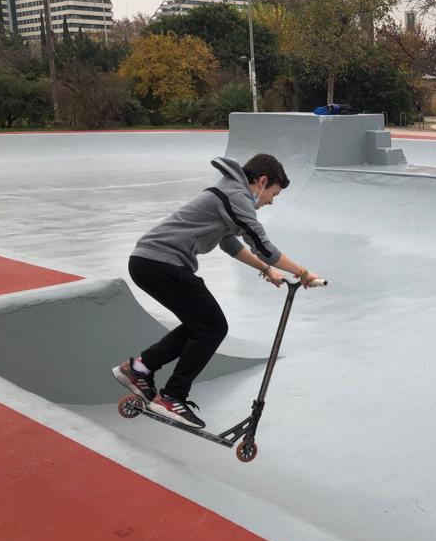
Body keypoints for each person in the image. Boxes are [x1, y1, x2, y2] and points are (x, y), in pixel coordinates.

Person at [112, 154, 324, 429]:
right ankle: (172, 396)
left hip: (148, 262)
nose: (271, 202)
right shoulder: (237, 196)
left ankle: (138, 369)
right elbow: (264, 247)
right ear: (262, 181)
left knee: (201, 325)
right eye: (274, 194)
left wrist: (265, 269)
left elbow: (228, 243)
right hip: (162, 262)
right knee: (213, 327)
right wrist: (303, 273)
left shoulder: (227, 191)